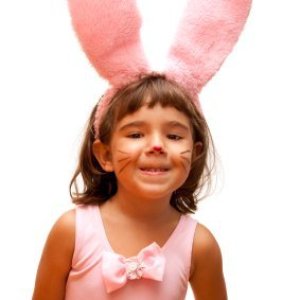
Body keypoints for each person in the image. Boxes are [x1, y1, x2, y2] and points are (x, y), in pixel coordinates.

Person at [33, 0, 251, 299]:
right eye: (136, 134)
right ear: (104, 154)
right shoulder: (71, 231)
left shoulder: (199, 245)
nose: (157, 145)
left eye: (174, 136)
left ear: (196, 151)